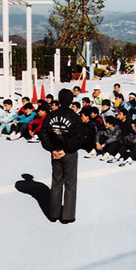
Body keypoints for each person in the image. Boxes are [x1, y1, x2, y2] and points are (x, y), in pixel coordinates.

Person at [39, 88, 84, 224]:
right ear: (71, 101)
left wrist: (52, 149)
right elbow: (79, 137)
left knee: (56, 181)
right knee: (70, 183)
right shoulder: (74, 117)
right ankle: (67, 215)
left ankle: (54, 213)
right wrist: (67, 149)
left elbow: (44, 133)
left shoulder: (51, 116)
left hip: (55, 153)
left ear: (58, 100)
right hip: (68, 153)